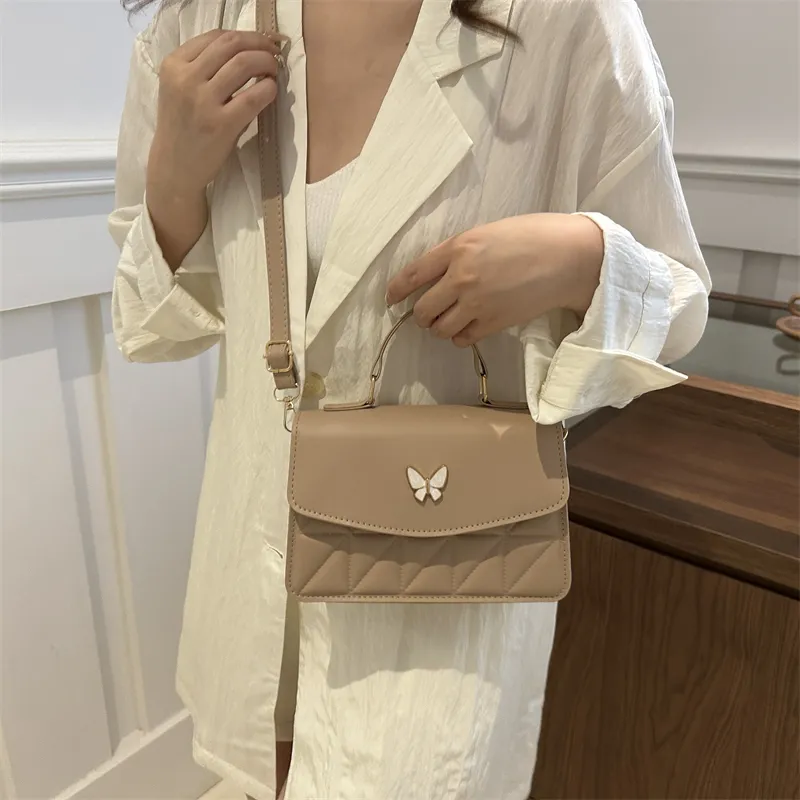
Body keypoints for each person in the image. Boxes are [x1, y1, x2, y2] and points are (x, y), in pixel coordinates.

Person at [109, 0, 710, 798]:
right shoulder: (196, 20)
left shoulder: (568, 18)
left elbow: (680, 303)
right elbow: (148, 325)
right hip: (252, 559)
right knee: (261, 769)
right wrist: (173, 179)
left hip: (441, 584)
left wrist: (579, 259)